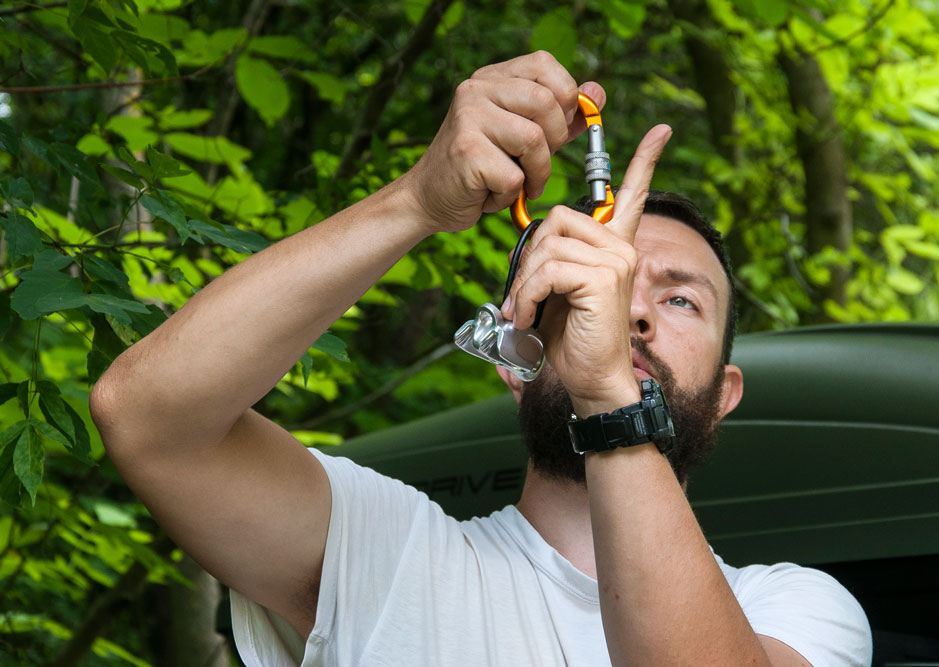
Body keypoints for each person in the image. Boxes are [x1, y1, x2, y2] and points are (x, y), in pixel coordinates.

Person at [90, 52, 872, 666]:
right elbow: (148, 419)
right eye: (588, 282)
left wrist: (609, 395)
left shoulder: (794, 609)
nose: (625, 308)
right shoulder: (388, 551)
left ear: (727, 392)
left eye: (678, 300)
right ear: (512, 358)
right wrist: (419, 200)